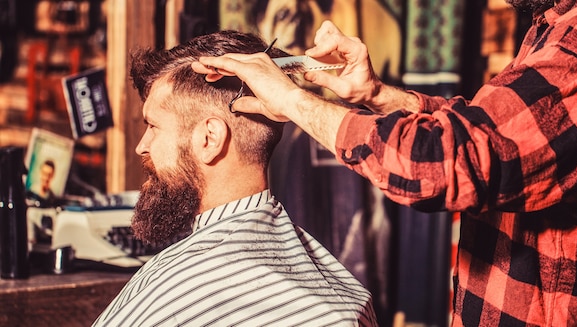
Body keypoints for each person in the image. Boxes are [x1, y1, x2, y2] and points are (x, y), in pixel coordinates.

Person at [192, 0, 577, 326]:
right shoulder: (553, 27)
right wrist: (377, 97)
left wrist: (289, 97)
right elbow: (494, 132)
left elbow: (439, 162)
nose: (143, 146)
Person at [92, 30, 377, 326]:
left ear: (209, 138)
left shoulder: (175, 295)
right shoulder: (348, 300)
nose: (142, 145)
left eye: (153, 125)